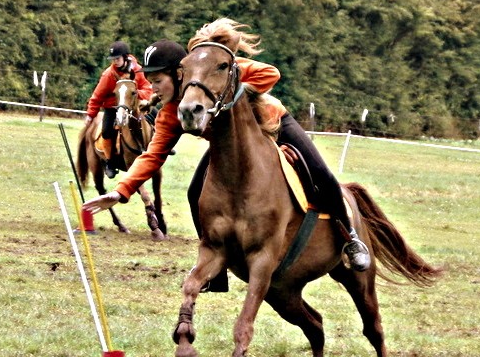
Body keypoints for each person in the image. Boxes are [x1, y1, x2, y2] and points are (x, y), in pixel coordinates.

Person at [83, 20, 370, 291]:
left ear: (179, 73)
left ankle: (351, 238)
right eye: (150, 81)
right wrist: (120, 192)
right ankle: (215, 270)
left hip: (274, 123)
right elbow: (152, 155)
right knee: (195, 193)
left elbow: (272, 74)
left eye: (157, 80)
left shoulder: (218, 69)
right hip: (231, 146)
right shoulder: (172, 112)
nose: (152, 89)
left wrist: (232, 88)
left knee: (322, 175)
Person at [85, 41, 153, 178]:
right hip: (113, 107)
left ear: (125, 57)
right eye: (113, 59)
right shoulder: (108, 75)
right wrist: (90, 115)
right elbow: (97, 96)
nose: (115, 62)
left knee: (155, 116)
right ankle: (110, 162)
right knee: (106, 132)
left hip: (135, 104)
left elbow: (148, 88)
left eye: (117, 58)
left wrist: (135, 95)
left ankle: (163, 146)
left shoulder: (138, 70)